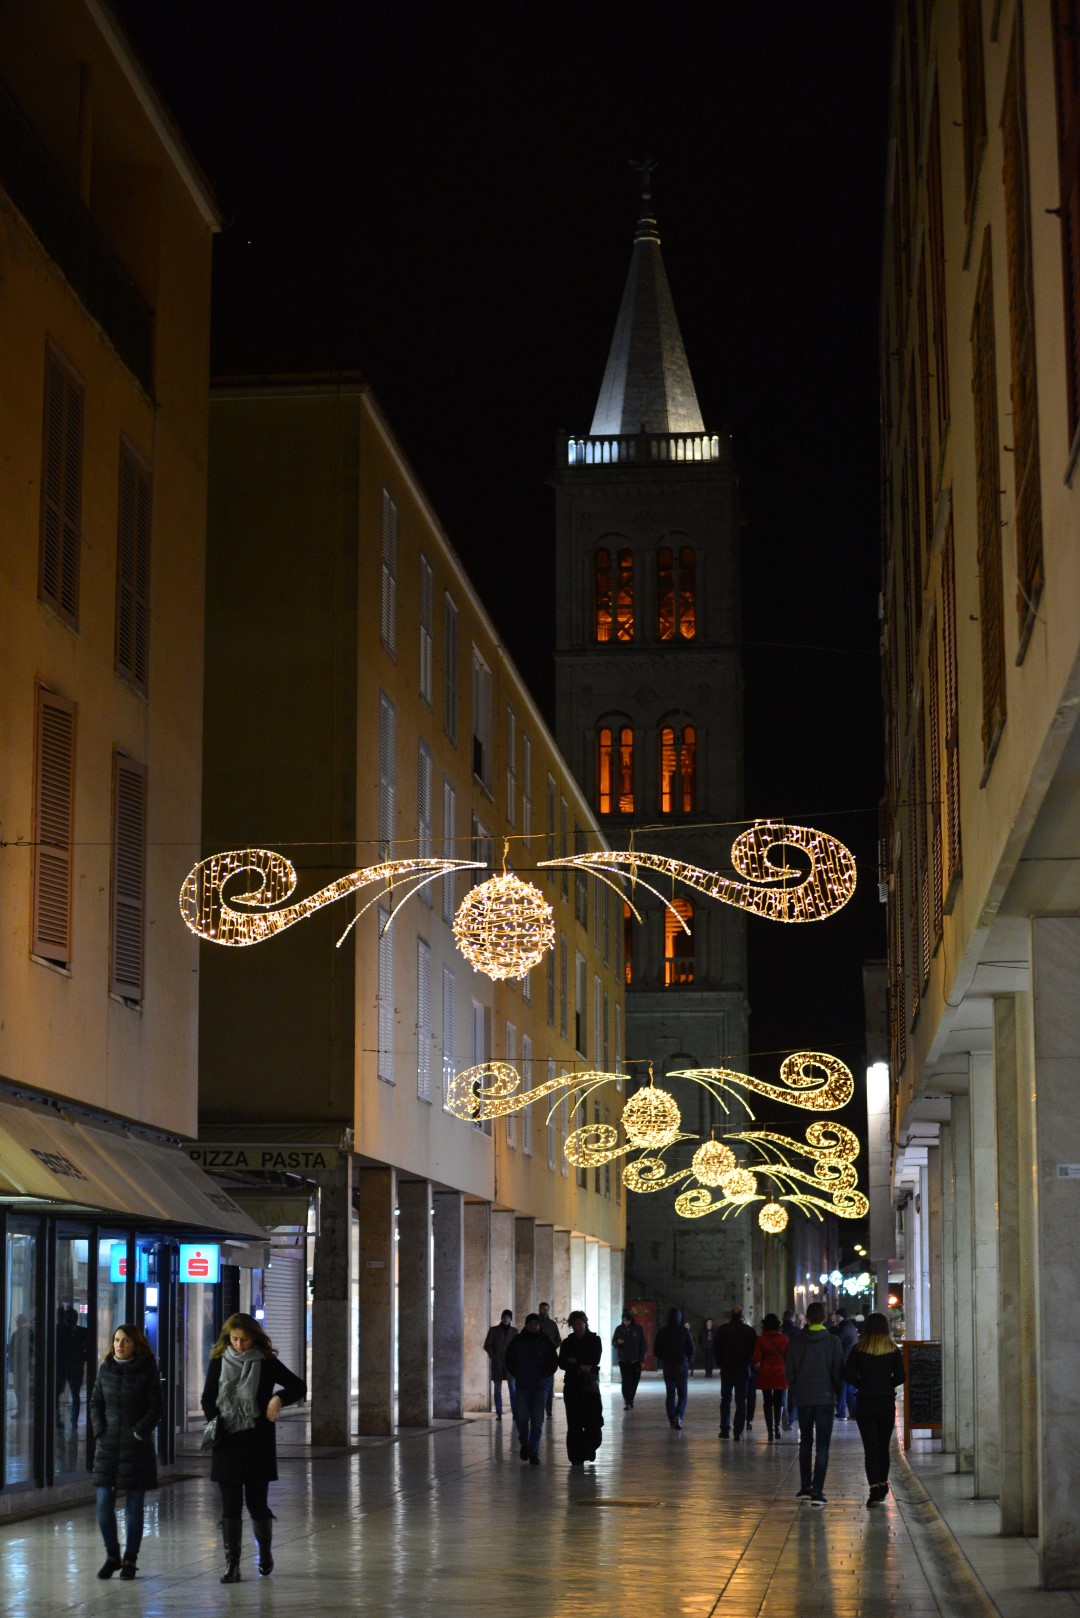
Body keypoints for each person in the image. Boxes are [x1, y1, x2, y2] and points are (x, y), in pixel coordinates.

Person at [201, 1311, 306, 1583]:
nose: (239, 1345)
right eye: (234, 1339)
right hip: (226, 1443)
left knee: (257, 1505)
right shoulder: (218, 1361)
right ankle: (232, 1564)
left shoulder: (266, 1361)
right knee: (230, 1506)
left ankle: (265, 1552)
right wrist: (217, 1422)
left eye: (244, 1339)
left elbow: (298, 1386)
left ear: (254, 1338)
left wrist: (278, 1399)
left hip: (257, 1443)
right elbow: (207, 1399)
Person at [90, 1323, 163, 1581]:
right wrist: (100, 1431)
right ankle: (112, 1555)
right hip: (107, 1446)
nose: (120, 1345)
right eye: (117, 1340)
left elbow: (157, 1406)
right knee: (102, 1503)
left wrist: (139, 1431)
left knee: (134, 1506)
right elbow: (95, 1403)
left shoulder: (146, 1370)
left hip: (136, 1447)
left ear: (136, 1344)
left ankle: (130, 1559)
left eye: (126, 1341)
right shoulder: (105, 1369)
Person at [785, 1300, 844, 1507]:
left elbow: (789, 1372)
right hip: (825, 1399)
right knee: (823, 1446)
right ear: (825, 1319)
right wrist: (837, 1396)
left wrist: (796, 1387)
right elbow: (838, 1373)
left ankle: (805, 1486)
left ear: (807, 1319)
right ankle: (817, 1491)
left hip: (804, 1398)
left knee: (806, 1442)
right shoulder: (833, 1342)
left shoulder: (795, 1342)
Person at [844, 1312, 905, 1506]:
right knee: (883, 1446)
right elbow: (901, 1376)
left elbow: (849, 1374)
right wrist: (887, 1384)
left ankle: (873, 1489)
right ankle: (882, 1482)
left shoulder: (859, 1349)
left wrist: (863, 1383)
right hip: (885, 1402)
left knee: (870, 1448)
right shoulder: (893, 1350)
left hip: (865, 1402)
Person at [505, 1313, 558, 1464]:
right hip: (522, 1386)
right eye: (531, 1323)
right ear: (526, 1324)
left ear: (539, 1325)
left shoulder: (545, 1341)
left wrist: (545, 1375)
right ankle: (524, 1442)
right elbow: (509, 1358)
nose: (533, 1326)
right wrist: (517, 1373)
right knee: (521, 1418)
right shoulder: (518, 1340)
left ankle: (533, 1453)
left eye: (536, 1323)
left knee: (537, 1421)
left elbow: (553, 1361)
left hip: (540, 1386)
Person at [558, 1310, 603, 1466]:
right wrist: (580, 1365)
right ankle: (576, 1457)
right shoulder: (567, 1342)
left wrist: (574, 1362)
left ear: (585, 1322)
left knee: (593, 1422)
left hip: (589, 1386)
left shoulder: (594, 1340)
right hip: (572, 1386)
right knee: (574, 1423)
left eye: (579, 1323)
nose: (577, 1326)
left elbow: (594, 1360)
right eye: (574, 1324)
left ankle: (589, 1448)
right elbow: (562, 1363)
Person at [716, 1305, 756, 1440]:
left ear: (731, 1316)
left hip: (727, 1369)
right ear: (742, 1316)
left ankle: (724, 1429)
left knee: (726, 1399)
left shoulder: (722, 1330)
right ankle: (738, 1431)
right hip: (743, 1370)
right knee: (741, 1400)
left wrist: (720, 1363)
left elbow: (717, 1349)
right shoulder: (749, 1331)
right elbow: (753, 1351)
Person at [652, 1307, 695, 1428]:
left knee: (670, 1393)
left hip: (668, 1365)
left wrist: (663, 1358)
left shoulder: (662, 1332)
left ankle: (672, 1419)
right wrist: (687, 1359)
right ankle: (678, 1416)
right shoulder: (684, 1331)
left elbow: (656, 1350)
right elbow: (691, 1349)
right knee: (682, 1393)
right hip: (681, 1365)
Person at [751, 1313, 789, 1441]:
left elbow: (755, 1358)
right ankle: (777, 1428)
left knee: (767, 1402)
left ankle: (770, 1432)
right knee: (779, 1402)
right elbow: (789, 1357)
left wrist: (759, 1368)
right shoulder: (784, 1339)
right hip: (780, 1374)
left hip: (766, 1373)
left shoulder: (761, 1340)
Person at [483, 1309, 518, 1420]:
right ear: (501, 1318)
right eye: (504, 1317)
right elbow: (487, 1345)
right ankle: (499, 1412)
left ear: (511, 1319)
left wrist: (514, 1359)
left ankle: (515, 1412)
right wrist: (494, 1356)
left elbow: (518, 1347)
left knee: (513, 1389)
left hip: (510, 1365)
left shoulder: (514, 1331)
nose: (506, 1319)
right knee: (497, 1389)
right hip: (497, 1364)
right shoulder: (493, 1330)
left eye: (508, 1317)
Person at [611, 1310, 646, 1409]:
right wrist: (618, 1342)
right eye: (623, 1320)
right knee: (625, 1381)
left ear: (631, 1320)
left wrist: (642, 1359)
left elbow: (643, 1345)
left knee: (635, 1381)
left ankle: (631, 1398)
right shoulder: (619, 1329)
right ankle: (627, 1400)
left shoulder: (638, 1329)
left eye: (627, 1321)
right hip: (623, 1360)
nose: (625, 1322)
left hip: (635, 1360)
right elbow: (613, 1342)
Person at [830, 1308, 859, 1418]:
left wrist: (832, 1328)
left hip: (845, 1361)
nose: (834, 1319)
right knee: (849, 1388)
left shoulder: (844, 1328)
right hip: (849, 1361)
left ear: (840, 1316)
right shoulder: (848, 1326)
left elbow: (836, 1340)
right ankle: (853, 1412)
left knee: (843, 1388)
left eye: (836, 1316)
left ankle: (842, 1412)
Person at [538, 1303, 561, 1417]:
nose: (545, 1311)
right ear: (539, 1310)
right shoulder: (535, 1322)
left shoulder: (552, 1324)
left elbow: (558, 1340)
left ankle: (548, 1409)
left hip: (549, 1358)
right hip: (537, 1357)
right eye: (543, 1309)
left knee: (549, 1384)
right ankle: (539, 1407)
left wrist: (552, 1348)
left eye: (547, 1310)